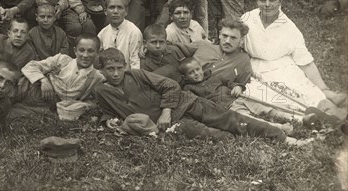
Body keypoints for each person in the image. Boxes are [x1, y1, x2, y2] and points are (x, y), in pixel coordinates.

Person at [94, 48, 311, 145]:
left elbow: (170, 85)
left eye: (118, 68)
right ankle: (260, 131)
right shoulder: (102, 91)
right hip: (171, 126)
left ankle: (282, 137)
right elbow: (106, 112)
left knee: (230, 119)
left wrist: (166, 111)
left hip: (186, 102)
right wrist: (109, 121)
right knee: (215, 135)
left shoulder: (137, 74)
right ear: (101, 70)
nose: (115, 73)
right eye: (110, 69)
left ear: (125, 66)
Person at [242, 0, 346, 119]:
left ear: (280, 2)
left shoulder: (289, 27)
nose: (267, 4)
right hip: (255, 65)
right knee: (272, 93)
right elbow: (235, 40)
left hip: (283, 65)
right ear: (257, 1)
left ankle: (331, 109)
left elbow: (305, 61)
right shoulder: (247, 19)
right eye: (263, 0)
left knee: (302, 87)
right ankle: (311, 116)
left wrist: (323, 87)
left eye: (272, 0)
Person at [178, 57, 303, 134]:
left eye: (197, 69)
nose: (196, 74)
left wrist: (237, 87)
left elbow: (230, 82)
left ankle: (296, 118)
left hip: (238, 97)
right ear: (185, 77)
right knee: (248, 119)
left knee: (264, 107)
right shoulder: (189, 89)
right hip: (228, 108)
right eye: (191, 73)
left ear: (201, 68)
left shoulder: (213, 76)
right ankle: (279, 127)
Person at [20, 33, 104, 104]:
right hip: (37, 89)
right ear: (75, 51)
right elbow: (30, 66)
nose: (85, 55)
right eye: (81, 50)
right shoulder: (62, 59)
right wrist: (43, 80)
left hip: (54, 104)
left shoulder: (98, 77)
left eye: (90, 51)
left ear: (98, 52)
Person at [97, 0, 142, 70]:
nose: (115, 11)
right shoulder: (102, 33)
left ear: (126, 11)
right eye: (111, 7)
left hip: (128, 75)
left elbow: (135, 62)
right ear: (105, 11)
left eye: (120, 8)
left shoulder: (133, 32)